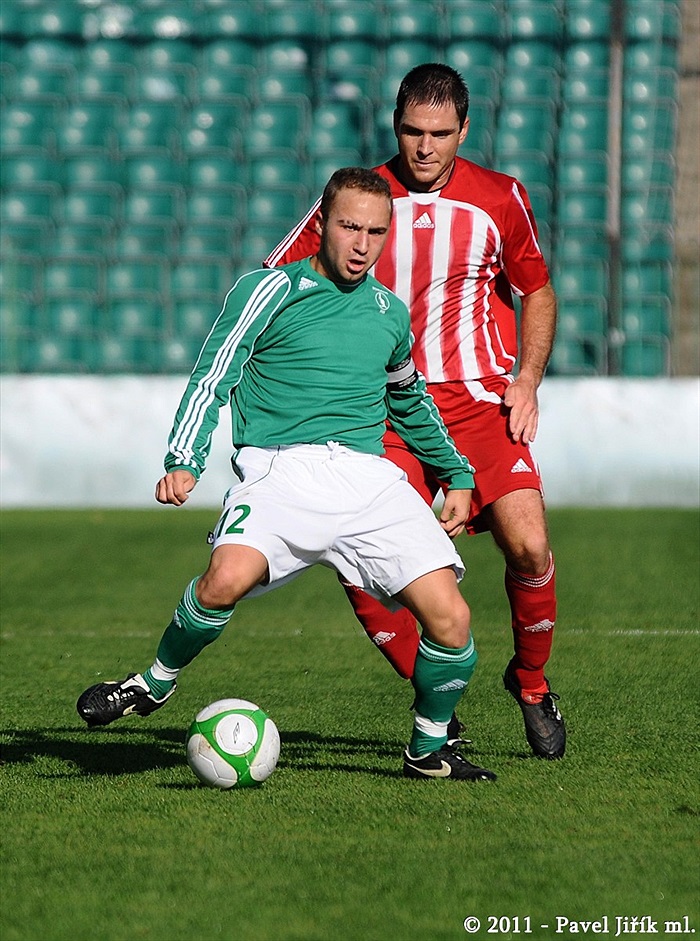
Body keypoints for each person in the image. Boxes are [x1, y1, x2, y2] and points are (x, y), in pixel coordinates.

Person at [76, 168, 497, 782]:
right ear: (321, 224)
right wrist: (184, 458)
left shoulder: (388, 312)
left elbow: (409, 400)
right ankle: (155, 682)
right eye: (350, 227)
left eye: (376, 232)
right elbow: (214, 374)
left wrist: (455, 471)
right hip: (279, 471)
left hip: (366, 479)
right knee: (223, 581)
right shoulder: (269, 289)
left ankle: (428, 749)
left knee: (452, 620)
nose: (362, 244)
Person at [264, 64, 565, 760]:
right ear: (394, 126)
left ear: (465, 130)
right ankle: (435, 702)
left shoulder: (501, 197)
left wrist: (527, 379)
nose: (424, 147)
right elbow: (280, 280)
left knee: (527, 543)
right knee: (359, 560)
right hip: (389, 407)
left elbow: (537, 291)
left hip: (481, 401)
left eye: (440, 133)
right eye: (411, 131)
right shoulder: (360, 200)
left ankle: (531, 683)